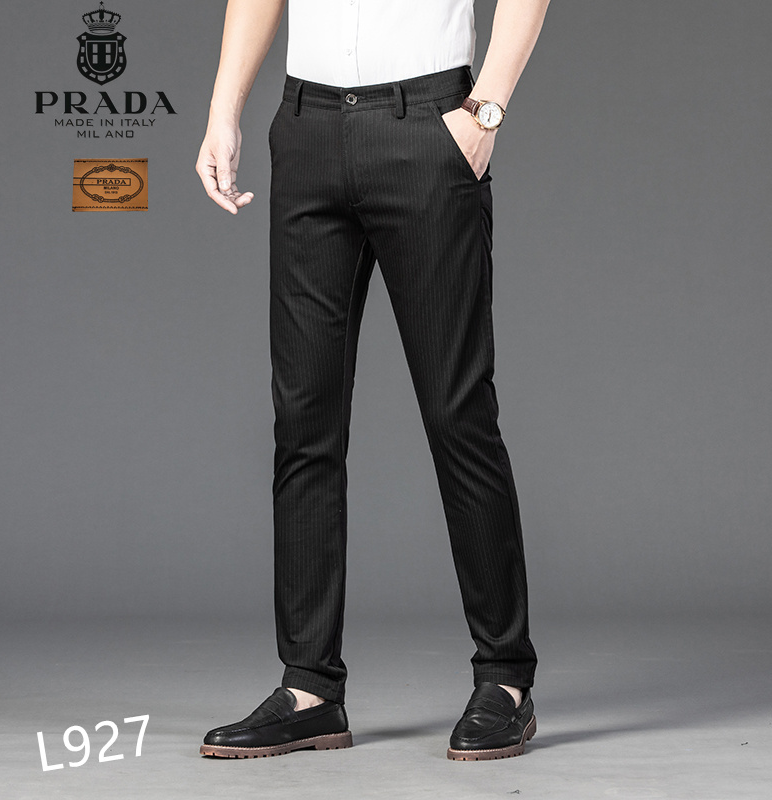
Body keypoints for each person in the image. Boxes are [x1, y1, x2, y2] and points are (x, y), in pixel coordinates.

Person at [195, 0, 550, 762]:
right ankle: (309, 688)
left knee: (457, 412)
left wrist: (485, 111)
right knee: (304, 421)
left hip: (427, 126)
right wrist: (224, 111)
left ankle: (505, 678)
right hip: (306, 128)